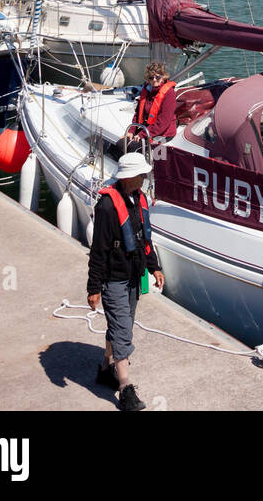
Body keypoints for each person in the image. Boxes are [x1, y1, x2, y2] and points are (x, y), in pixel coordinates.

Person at [86, 152, 164, 411]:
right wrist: (94, 287)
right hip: (113, 280)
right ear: (129, 177)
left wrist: (154, 268)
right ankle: (125, 388)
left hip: (133, 276)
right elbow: (98, 250)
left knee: (121, 325)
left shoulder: (137, 198)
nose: (145, 177)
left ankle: (104, 369)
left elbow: (144, 238)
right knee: (122, 332)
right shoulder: (107, 207)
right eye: (141, 174)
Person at [126, 62, 176, 156]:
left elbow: (163, 122)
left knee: (132, 148)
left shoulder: (169, 93)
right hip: (146, 129)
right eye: (151, 77)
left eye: (157, 77)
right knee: (122, 142)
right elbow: (138, 113)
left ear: (163, 77)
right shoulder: (146, 90)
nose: (154, 80)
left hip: (162, 133)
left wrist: (142, 134)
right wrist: (132, 130)